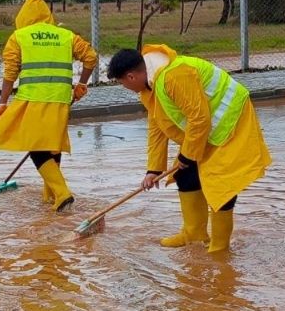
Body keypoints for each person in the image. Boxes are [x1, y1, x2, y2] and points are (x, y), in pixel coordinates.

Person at [105, 45, 271, 253]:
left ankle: (219, 248)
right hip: (206, 133)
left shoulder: (175, 75)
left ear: (131, 77)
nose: (125, 88)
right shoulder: (150, 87)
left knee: (221, 187)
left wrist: (188, 155)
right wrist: (154, 169)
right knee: (184, 175)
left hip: (232, 123)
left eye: (122, 83)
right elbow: (157, 127)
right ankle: (194, 235)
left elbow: (199, 118)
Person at [0, 0, 98, 212]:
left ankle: (62, 193)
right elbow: (91, 57)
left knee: (36, 147)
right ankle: (50, 195)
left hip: (32, 100)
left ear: (23, 16)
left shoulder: (19, 37)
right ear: (48, 15)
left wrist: (2, 103)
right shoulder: (67, 36)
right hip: (60, 99)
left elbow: (10, 73)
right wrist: (82, 84)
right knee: (52, 143)